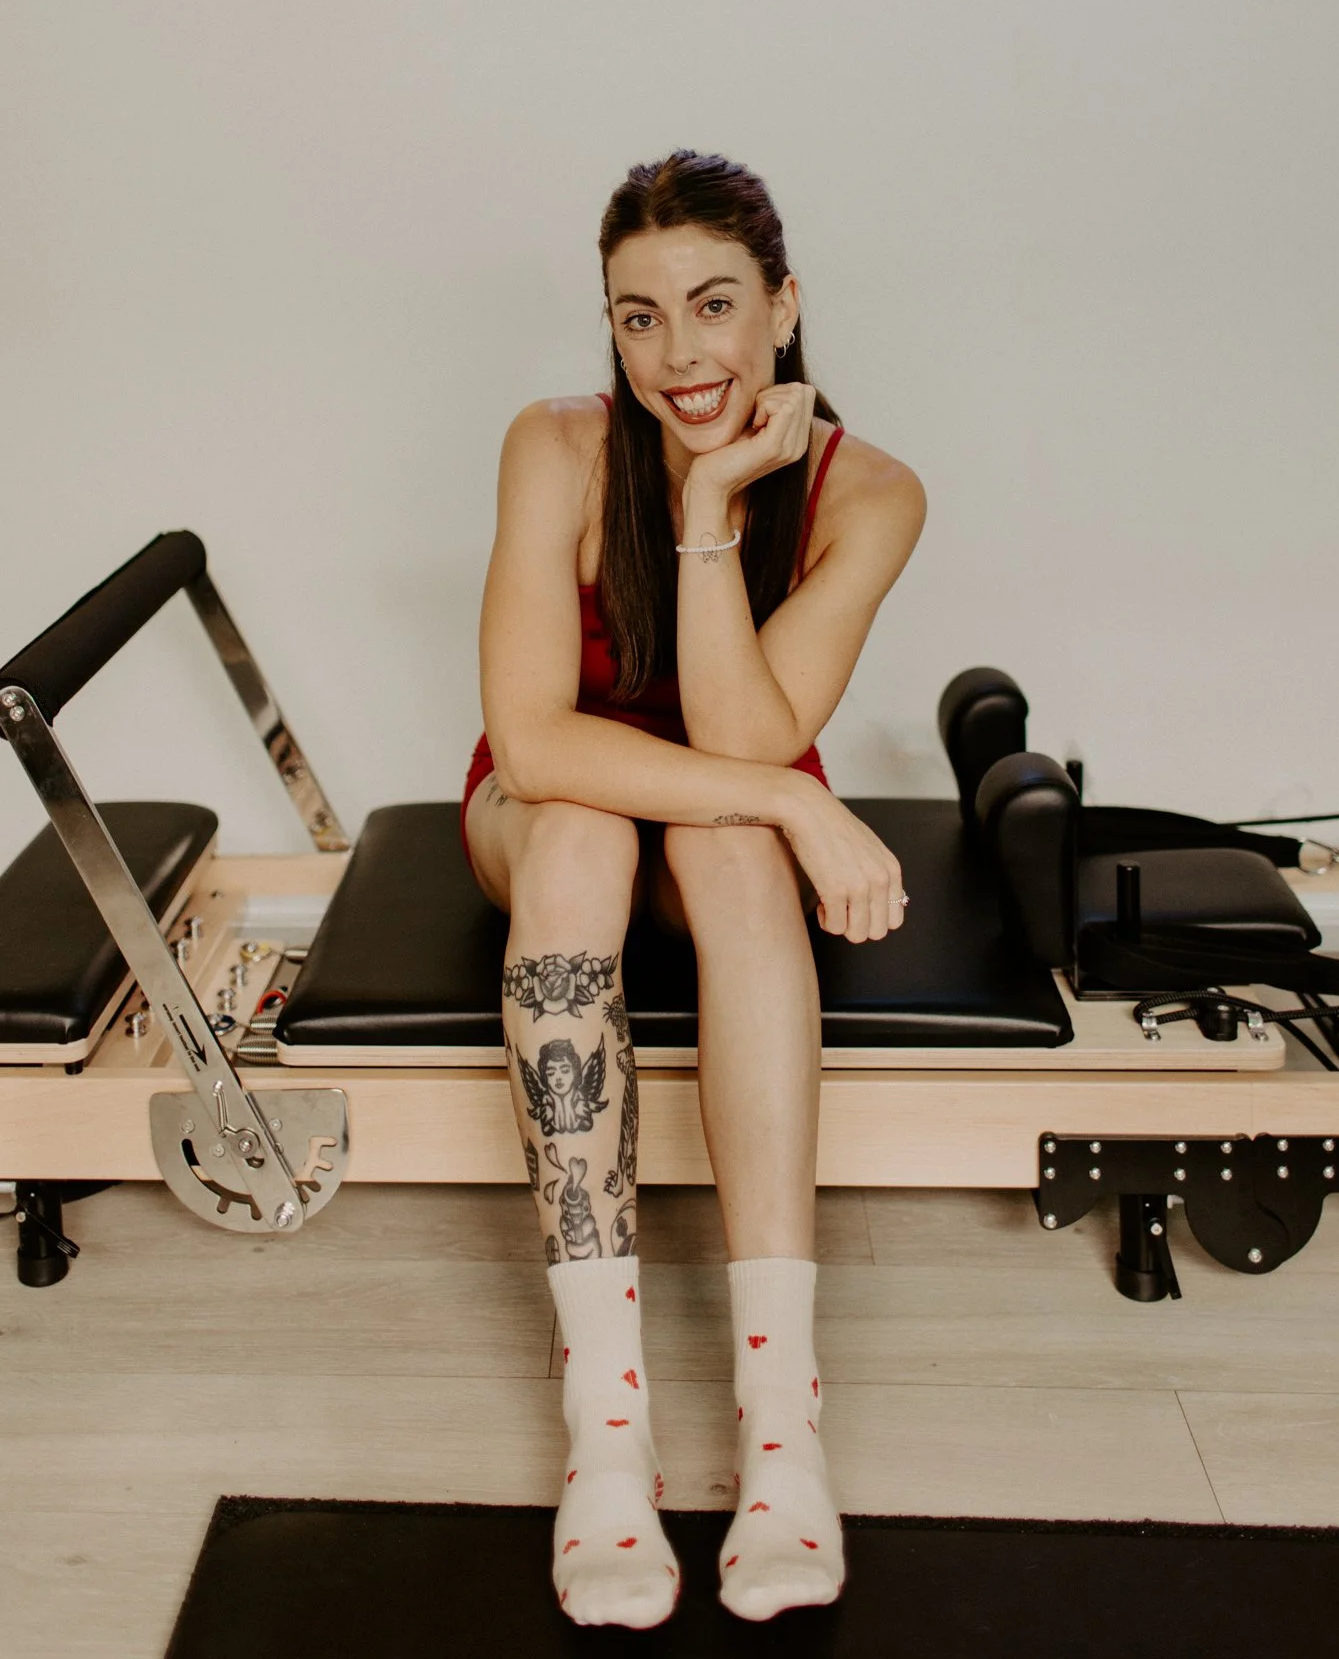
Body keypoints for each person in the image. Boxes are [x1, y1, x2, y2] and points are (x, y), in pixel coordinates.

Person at [461, 149, 927, 1628]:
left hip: (729, 805)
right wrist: (796, 801)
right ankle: (606, 1432)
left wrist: (716, 504)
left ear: (785, 306)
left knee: (726, 848)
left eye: (715, 305)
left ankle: (784, 1425)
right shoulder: (554, 445)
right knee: (586, 833)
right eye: (640, 316)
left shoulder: (872, 491)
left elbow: (740, 740)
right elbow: (536, 743)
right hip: (555, 808)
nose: (678, 353)